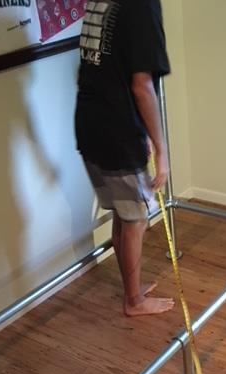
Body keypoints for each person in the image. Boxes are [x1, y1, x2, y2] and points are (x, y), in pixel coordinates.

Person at [75, 0, 174, 316]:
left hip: (89, 124)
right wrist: (161, 147)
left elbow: (91, 70)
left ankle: (133, 289)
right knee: (136, 218)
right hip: (118, 132)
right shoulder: (142, 6)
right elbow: (142, 86)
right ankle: (134, 301)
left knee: (124, 212)